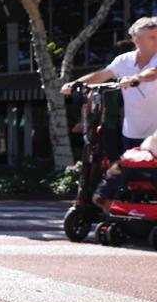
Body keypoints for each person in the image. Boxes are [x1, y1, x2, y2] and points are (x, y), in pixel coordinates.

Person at [62, 17, 157, 208]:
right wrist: (76, 83)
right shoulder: (124, 60)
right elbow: (103, 74)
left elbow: (153, 72)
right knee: (131, 172)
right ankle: (117, 207)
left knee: (146, 173)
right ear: (137, 40)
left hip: (155, 132)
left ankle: (108, 198)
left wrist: (135, 78)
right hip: (132, 130)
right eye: (152, 37)